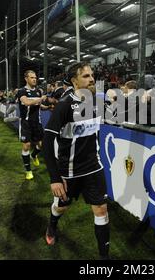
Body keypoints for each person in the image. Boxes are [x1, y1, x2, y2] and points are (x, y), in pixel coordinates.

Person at [43, 62, 110, 260]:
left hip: (94, 167)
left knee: (101, 210)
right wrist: (55, 178)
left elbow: (118, 114)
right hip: (69, 171)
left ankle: (104, 258)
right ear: (74, 81)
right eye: (86, 76)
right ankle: (52, 225)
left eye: (92, 75)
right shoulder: (64, 105)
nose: (92, 79)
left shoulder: (96, 101)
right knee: (61, 207)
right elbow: (47, 141)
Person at [16, 70, 47, 180]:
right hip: (26, 123)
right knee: (26, 146)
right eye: (32, 77)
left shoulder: (38, 91)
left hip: (37, 123)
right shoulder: (21, 91)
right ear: (26, 78)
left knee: (41, 145)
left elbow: (39, 105)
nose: (34, 79)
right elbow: (27, 102)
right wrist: (41, 99)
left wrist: (47, 107)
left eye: (35, 77)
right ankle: (28, 171)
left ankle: (33, 155)